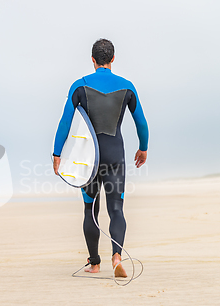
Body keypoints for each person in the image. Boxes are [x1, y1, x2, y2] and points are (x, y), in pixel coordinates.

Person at [52, 39, 149, 277]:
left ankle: (94, 263)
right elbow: (141, 122)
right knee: (117, 209)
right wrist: (143, 147)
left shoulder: (80, 86)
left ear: (93, 60)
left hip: (90, 162)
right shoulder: (127, 87)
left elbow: (65, 122)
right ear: (113, 59)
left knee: (90, 210)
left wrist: (57, 153)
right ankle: (117, 255)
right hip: (116, 156)